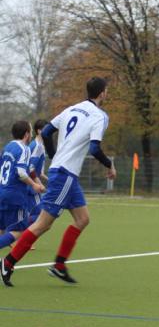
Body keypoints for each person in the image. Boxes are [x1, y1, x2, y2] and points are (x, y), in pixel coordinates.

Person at [0, 77, 116, 287]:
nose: (107, 94)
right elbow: (95, 148)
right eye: (106, 91)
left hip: (65, 174)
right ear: (102, 93)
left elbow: (46, 132)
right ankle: (8, 262)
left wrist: (54, 155)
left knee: (82, 219)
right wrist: (110, 165)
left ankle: (59, 265)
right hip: (65, 175)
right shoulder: (100, 116)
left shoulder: (72, 108)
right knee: (43, 224)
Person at [0, 121, 45, 251]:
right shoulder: (24, 149)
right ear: (26, 134)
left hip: (2, 191)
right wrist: (34, 185)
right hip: (15, 195)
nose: (31, 134)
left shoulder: (7, 147)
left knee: (2, 228)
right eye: (30, 131)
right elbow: (20, 172)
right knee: (20, 230)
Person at [27, 119, 49, 224]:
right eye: (47, 129)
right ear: (39, 131)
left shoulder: (41, 146)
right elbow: (31, 169)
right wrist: (40, 185)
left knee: (39, 217)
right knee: (40, 217)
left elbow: (40, 173)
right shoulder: (37, 146)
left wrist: (52, 181)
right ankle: (17, 228)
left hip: (32, 186)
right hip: (31, 187)